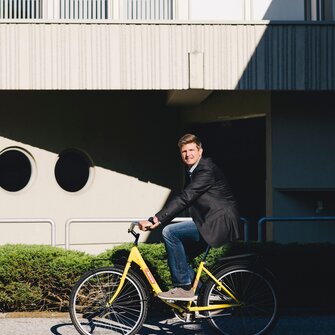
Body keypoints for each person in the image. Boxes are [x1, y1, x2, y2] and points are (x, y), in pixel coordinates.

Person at [139, 133, 240, 301]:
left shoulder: (206, 169)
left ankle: (184, 288)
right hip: (212, 221)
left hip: (219, 222)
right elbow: (184, 199)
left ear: (200, 151)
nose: (188, 154)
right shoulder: (194, 171)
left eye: (192, 150)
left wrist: (156, 219)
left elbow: (185, 198)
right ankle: (204, 296)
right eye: (184, 151)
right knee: (180, 259)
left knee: (170, 232)